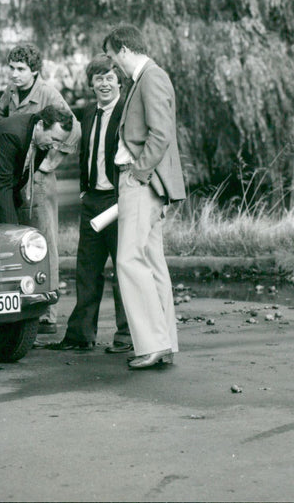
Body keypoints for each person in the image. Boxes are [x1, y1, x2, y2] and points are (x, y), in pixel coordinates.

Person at [103, 24, 186, 369]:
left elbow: (161, 133)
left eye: (111, 56)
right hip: (148, 185)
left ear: (123, 49)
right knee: (151, 262)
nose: (112, 65)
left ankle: (151, 345)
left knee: (129, 261)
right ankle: (163, 342)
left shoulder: (150, 77)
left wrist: (138, 172)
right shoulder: (148, 77)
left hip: (140, 183)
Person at [0, 44, 81, 335]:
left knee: (44, 241)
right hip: (17, 177)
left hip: (39, 180)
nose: (14, 74)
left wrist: (48, 167)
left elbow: (74, 129)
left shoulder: (47, 93)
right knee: (20, 239)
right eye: (11, 68)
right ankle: (25, 302)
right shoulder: (10, 92)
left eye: (20, 69)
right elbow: (1, 120)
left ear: (34, 71)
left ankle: (49, 311)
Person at [46, 55, 131, 352]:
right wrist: (84, 192)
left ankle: (127, 337)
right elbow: (85, 152)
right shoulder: (88, 112)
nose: (104, 84)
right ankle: (81, 335)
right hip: (93, 199)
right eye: (98, 78)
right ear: (91, 84)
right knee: (86, 270)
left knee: (124, 270)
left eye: (109, 77)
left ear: (119, 81)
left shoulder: (128, 111)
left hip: (119, 202)